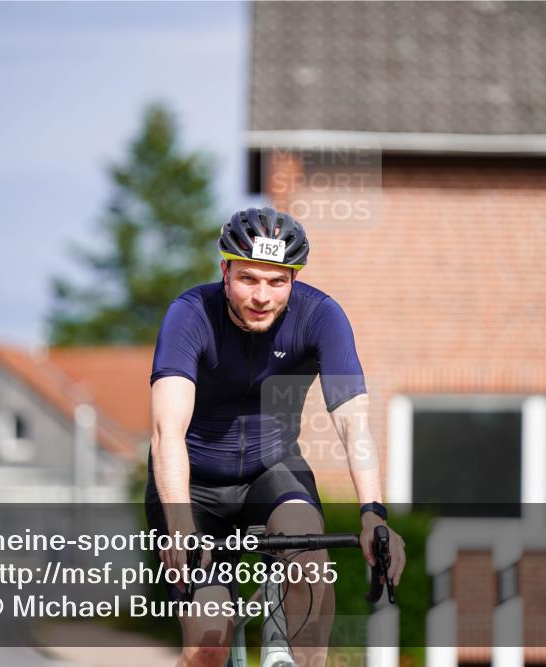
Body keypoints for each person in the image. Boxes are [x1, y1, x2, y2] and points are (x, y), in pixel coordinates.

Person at [147, 206, 406, 667]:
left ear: (294, 279)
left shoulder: (320, 316)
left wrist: (373, 513)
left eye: (277, 281)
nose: (262, 296)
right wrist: (179, 523)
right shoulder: (189, 315)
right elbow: (168, 431)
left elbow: (353, 422)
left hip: (274, 471)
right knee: (208, 645)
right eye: (249, 279)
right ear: (224, 270)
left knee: (308, 558)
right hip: (194, 487)